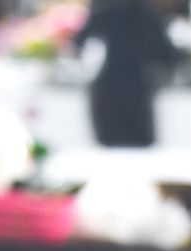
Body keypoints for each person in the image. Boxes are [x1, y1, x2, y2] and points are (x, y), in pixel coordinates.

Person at [74, 0, 178, 147]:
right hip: (137, 90)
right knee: (139, 151)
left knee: (111, 150)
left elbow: (79, 44)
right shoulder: (147, 14)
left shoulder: (102, 11)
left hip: (107, 90)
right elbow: (168, 56)